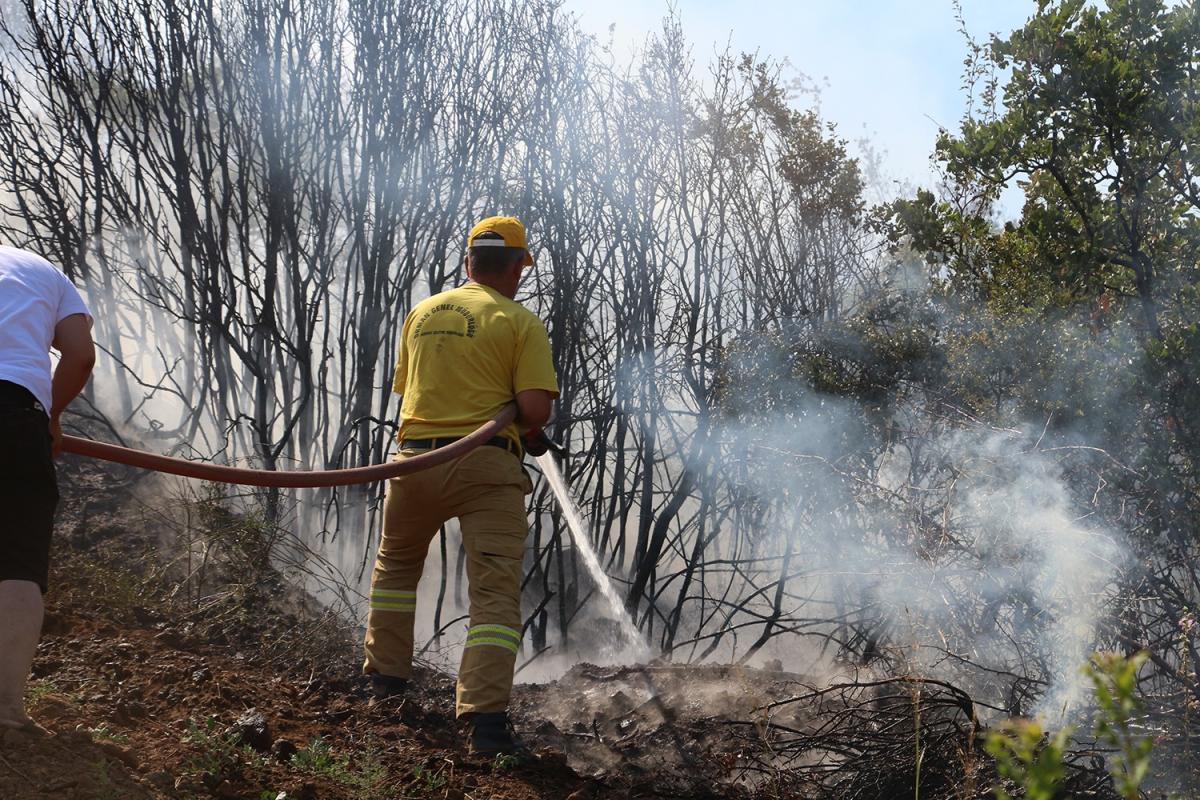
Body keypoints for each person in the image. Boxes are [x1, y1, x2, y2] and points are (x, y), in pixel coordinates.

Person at [363, 216, 558, 757]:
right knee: (493, 592)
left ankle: (383, 688)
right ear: (517, 267)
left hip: (411, 464)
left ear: (469, 262)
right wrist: (524, 420)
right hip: (484, 466)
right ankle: (486, 726)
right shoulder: (519, 321)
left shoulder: (422, 313)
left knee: (396, 570)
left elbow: (414, 390)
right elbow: (536, 409)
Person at [0, 245, 95, 731]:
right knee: (17, 562)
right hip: (14, 415)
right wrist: (51, 419)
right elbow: (79, 355)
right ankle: (6, 711)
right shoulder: (40, 270)